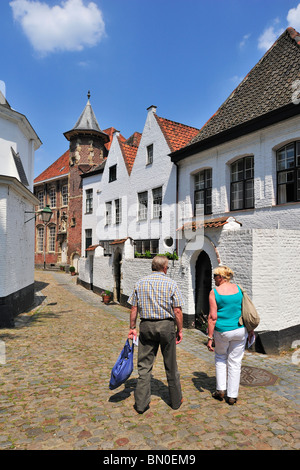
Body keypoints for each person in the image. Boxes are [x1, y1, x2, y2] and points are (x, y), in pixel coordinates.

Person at [128, 255, 184, 414]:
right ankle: (175, 401)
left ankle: (141, 404)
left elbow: (134, 309)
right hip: (166, 326)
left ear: (152, 267)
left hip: (146, 325)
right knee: (171, 365)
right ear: (165, 268)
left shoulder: (140, 283)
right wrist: (179, 330)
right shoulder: (171, 283)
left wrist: (132, 327)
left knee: (144, 366)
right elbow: (177, 311)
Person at [207, 266, 254, 405]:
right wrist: (250, 329)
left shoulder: (214, 292)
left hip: (223, 331)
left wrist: (210, 337)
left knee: (221, 357)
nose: (214, 278)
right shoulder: (238, 289)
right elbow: (245, 310)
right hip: (240, 330)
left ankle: (221, 389)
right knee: (235, 362)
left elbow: (212, 317)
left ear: (221, 277)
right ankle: (232, 395)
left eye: (215, 275)